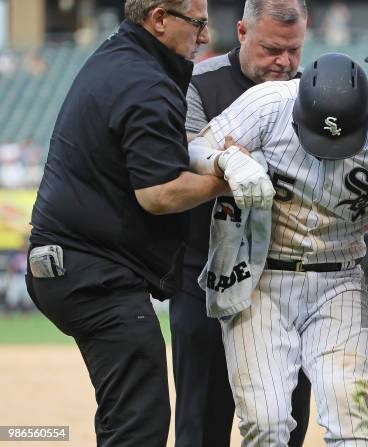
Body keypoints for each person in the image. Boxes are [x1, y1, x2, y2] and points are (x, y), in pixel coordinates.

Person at [25, 1, 273, 445]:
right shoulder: (145, 80)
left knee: (127, 412)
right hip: (93, 273)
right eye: (197, 24)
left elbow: (158, 144)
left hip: (68, 264)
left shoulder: (119, 56)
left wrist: (211, 155)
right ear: (159, 19)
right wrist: (231, 179)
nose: (203, 36)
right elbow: (158, 194)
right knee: (140, 420)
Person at [190, 52, 368, 446]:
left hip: (340, 280)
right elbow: (194, 149)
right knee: (265, 424)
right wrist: (225, 161)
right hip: (259, 276)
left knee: (349, 418)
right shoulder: (268, 104)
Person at [171, 1, 312, 445]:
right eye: (272, 48)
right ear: (241, 32)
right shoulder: (199, 83)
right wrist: (225, 161)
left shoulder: (313, 90)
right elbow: (185, 159)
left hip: (289, 279)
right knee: (202, 421)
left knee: (285, 422)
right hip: (204, 273)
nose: (284, 62)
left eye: (293, 50)